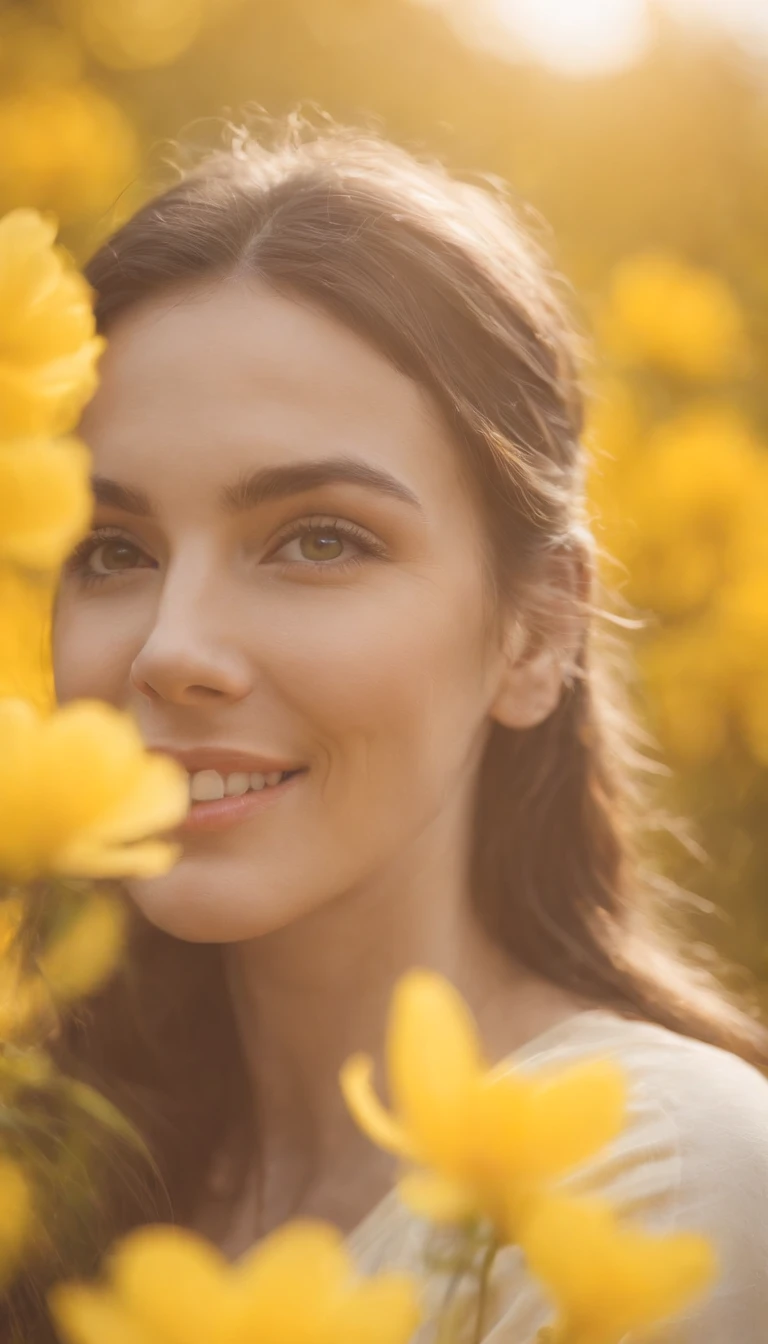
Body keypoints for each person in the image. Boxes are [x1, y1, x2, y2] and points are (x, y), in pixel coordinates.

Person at [19, 117, 768, 1340]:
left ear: (536, 634)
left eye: (320, 539)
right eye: (111, 550)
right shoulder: (67, 1178)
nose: (170, 650)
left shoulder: (656, 1179)